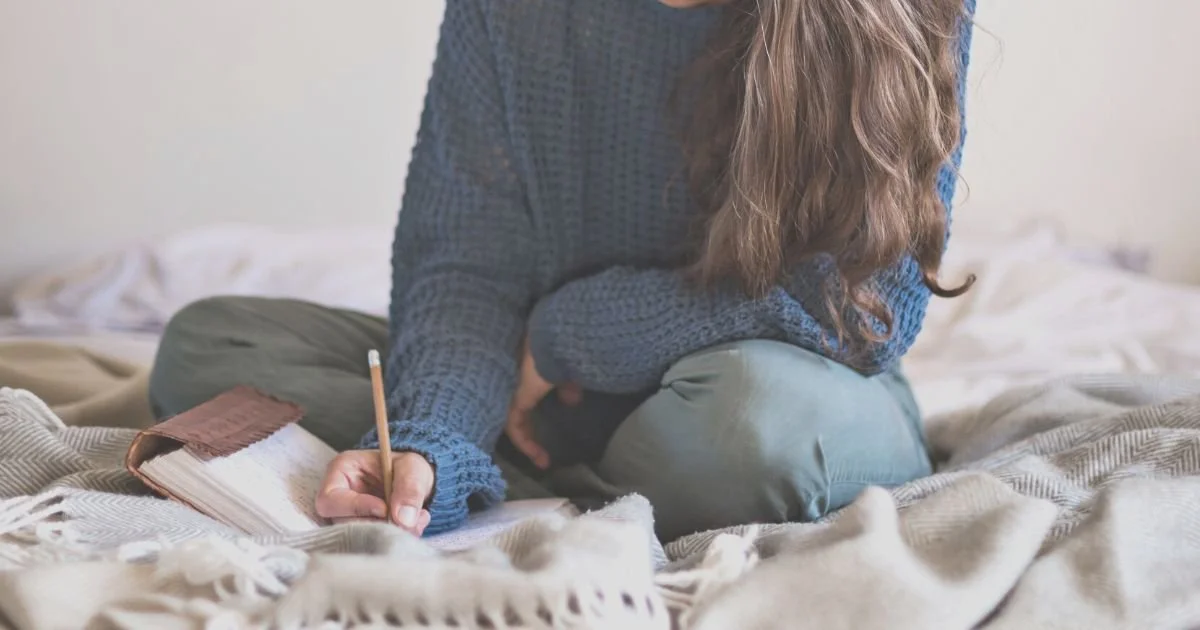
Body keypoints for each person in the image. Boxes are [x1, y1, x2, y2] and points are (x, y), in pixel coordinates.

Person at [149, 0, 977, 542]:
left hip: (773, 384)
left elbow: (862, 311)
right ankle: (478, 471)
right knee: (209, 348)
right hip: (538, 395)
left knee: (748, 433)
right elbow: (466, 262)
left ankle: (547, 470)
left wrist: (567, 336)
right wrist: (432, 439)